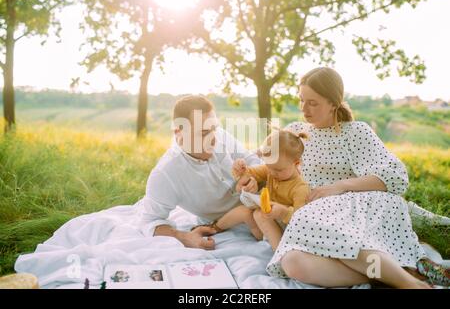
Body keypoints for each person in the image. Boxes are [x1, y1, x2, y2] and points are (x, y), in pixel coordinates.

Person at [266, 67, 431, 289]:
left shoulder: (356, 132)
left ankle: (411, 284)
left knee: (337, 236)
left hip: (351, 210)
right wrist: (250, 176)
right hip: (309, 216)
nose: (304, 109)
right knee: (292, 263)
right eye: (302, 100)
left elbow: (397, 177)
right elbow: (272, 166)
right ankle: (388, 273)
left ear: (334, 103)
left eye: (313, 103)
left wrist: (340, 187)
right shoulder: (295, 131)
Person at [138, 95, 261, 250]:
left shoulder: (220, 136)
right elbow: (149, 221)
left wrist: (251, 176)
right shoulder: (166, 173)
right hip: (237, 221)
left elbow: (252, 159)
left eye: (214, 129)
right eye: (203, 133)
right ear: (179, 132)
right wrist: (184, 237)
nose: (214, 139)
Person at [204, 129, 310, 251]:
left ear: (296, 163)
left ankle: (280, 254)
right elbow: (252, 173)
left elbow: (301, 220)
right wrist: (242, 169)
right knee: (244, 211)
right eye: (269, 167)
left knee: (259, 214)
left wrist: (283, 212)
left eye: (278, 170)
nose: (272, 173)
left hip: (282, 232)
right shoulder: (272, 170)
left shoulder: (300, 189)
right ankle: (214, 228)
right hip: (264, 226)